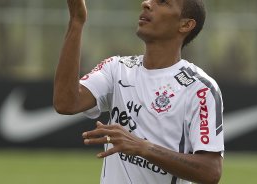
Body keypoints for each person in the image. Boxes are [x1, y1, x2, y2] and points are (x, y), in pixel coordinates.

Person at [53, 0, 224, 183]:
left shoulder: (200, 88)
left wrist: (143, 147)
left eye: (163, 2)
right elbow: (66, 102)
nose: (146, 3)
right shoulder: (116, 69)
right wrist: (76, 22)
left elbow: (210, 171)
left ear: (185, 24)